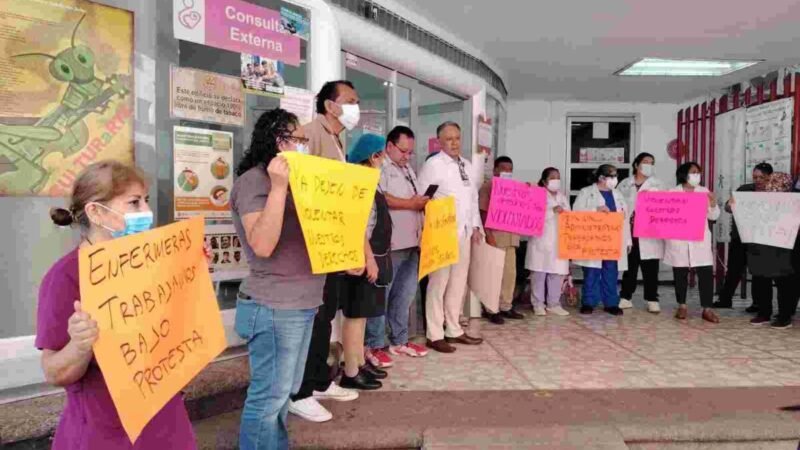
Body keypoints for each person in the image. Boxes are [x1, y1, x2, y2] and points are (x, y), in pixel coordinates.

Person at [38, 160, 197, 449]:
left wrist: (190, 274)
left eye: (145, 201)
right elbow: (53, 372)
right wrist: (80, 344)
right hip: (107, 434)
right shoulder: (65, 277)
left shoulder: (152, 262)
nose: (146, 212)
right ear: (96, 212)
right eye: (134, 203)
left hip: (167, 427)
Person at [230, 108, 328, 446]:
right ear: (275, 141)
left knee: (282, 394)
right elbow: (262, 244)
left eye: (304, 139)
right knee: (268, 398)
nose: (302, 145)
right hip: (274, 306)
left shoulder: (300, 181)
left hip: (302, 302)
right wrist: (278, 188)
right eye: (296, 139)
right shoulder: (255, 182)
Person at [290, 80, 362, 422]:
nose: (355, 107)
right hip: (311, 246)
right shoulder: (308, 134)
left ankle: (319, 381)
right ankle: (299, 391)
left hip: (331, 245)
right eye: (350, 101)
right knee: (314, 319)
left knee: (327, 314)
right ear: (330, 106)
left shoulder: (336, 139)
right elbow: (299, 186)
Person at [331, 133, 396, 390]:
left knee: (363, 315)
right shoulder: (358, 182)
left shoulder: (370, 180)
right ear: (373, 156)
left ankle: (358, 362)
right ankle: (350, 371)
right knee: (355, 316)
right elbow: (358, 226)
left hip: (370, 256)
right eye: (383, 154)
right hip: (359, 258)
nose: (386, 160)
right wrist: (368, 258)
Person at [364, 126, 430, 368]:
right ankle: (375, 345)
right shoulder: (381, 168)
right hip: (390, 245)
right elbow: (381, 197)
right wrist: (412, 204)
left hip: (413, 242)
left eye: (410, 152)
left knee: (404, 296)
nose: (407, 156)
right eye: (403, 151)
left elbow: (413, 200)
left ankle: (399, 340)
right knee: (381, 296)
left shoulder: (407, 169)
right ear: (389, 146)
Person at [418, 121, 484, 353]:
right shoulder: (434, 165)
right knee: (439, 283)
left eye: (457, 138)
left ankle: (453, 329)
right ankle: (434, 334)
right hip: (442, 232)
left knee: (458, 283)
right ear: (439, 142)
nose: (454, 142)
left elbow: (472, 199)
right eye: (449, 139)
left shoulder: (465, 165)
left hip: (464, 232)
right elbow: (423, 198)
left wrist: (476, 226)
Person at [663, 162, 721, 323]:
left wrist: (713, 204)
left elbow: (713, 216)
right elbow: (665, 216)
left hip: (699, 241)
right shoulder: (672, 192)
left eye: (698, 172)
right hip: (679, 240)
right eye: (693, 172)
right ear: (684, 174)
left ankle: (707, 309)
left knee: (706, 274)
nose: (697, 175)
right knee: (680, 274)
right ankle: (682, 306)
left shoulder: (704, 192)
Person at [740, 172, 799, 328]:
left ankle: (784, 316)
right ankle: (764, 313)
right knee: (761, 279)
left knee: (785, 282)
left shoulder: (795, 201)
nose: (773, 187)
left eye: (777, 184)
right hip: (762, 246)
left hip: (785, 249)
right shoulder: (758, 199)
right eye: (771, 183)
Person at [713, 162, 773, 311]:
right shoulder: (744, 189)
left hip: (762, 239)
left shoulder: (775, 193)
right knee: (734, 269)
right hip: (740, 237)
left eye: (762, 177)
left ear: (770, 177)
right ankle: (725, 299)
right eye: (755, 177)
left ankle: (758, 303)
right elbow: (727, 207)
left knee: (759, 273)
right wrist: (730, 204)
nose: (758, 180)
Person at [573, 164, 631, 316]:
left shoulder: (617, 194)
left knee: (611, 272)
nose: (615, 179)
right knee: (592, 271)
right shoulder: (586, 192)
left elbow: (624, 220)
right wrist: (595, 210)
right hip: (594, 239)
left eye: (615, 176)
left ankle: (611, 303)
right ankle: (588, 302)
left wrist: (628, 241)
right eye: (612, 176)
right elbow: (576, 213)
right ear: (601, 178)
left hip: (613, 240)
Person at [478, 156, 525, 324]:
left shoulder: (514, 188)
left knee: (509, 275)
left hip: (511, 237)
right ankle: (492, 309)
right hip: (495, 237)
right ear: (495, 170)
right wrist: (489, 235)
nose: (507, 171)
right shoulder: (488, 187)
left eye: (510, 169)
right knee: (494, 275)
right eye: (504, 168)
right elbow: (482, 213)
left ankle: (506, 306)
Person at [616, 152, 665, 313]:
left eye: (651, 162)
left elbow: (668, 206)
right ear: (636, 165)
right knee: (630, 266)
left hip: (649, 232)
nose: (648, 165)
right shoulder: (624, 184)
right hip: (630, 231)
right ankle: (625, 297)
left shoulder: (658, 184)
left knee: (650, 267)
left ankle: (652, 298)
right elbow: (617, 203)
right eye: (645, 162)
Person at [526, 167, 571, 316]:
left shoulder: (562, 197)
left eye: (558, 177)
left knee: (557, 274)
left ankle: (554, 303)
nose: (556, 180)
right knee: (539, 273)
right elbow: (531, 215)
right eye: (552, 177)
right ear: (544, 181)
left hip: (560, 241)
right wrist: (551, 212)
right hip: (541, 240)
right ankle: (538, 304)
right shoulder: (537, 194)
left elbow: (570, 217)